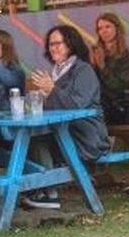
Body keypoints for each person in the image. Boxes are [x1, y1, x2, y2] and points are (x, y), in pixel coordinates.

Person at [24, 25, 110, 209]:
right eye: (50, 44)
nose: (53, 48)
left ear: (71, 44)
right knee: (27, 138)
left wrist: (52, 90)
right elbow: (54, 108)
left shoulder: (83, 70)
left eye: (58, 43)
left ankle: (49, 192)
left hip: (86, 138)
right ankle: (41, 189)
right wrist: (39, 98)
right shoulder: (55, 72)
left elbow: (76, 106)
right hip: (63, 133)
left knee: (36, 140)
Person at [90, 13, 129, 125]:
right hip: (100, 104)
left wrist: (102, 66)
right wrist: (93, 65)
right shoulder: (95, 53)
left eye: (108, 26)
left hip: (121, 105)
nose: (104, 31)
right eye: (100, 28)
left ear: (117, 28)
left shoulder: (126, 56)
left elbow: (119, 86)